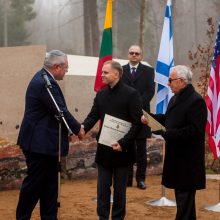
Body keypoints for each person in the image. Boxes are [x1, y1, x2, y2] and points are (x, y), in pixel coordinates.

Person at [16, 50, 84, 220]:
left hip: (46, 144)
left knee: (50, 186)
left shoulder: (44, 79)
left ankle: (49, 217)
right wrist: (77, 129)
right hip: (38, 145)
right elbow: (60, 111)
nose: (67, 71)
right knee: (35, 186)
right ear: (56, 67)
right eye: (66, 68)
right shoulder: (45, 83)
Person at [142, 65, 207, 220]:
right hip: (177, 158)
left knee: (185, 202)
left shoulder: (196, 101)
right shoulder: (176, 98)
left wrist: (167, 134)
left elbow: (194, 131)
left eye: (170, 80)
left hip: (188, 161)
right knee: (185, 203)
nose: (168, 83)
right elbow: (167, 119)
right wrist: (150, 118)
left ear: (182, 81)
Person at [82, 60, 142, 220]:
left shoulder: (132, 94)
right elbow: (93, 116)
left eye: (105, 72)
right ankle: (102, 217)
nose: (101, 75)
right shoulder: (101, 94)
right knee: (102, 190)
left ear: (116, 74)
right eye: (102, 72)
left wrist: (123, 143)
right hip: (104, 150)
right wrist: (81, 128)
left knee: (120, 191)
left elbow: (137, 124)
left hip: (123, 150)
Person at [122, 45, 155, 189]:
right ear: (128, 55)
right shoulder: (120, 70)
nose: (134, 55)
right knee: (126, 147)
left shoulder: (148, 71)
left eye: (137, 53)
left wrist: (136, 104)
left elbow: (150, 91)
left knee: (141, 149)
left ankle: (140, 179)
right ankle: (127, 179)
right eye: (131, 53)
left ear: (141, 56)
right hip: (125, 114)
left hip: (142, 114)